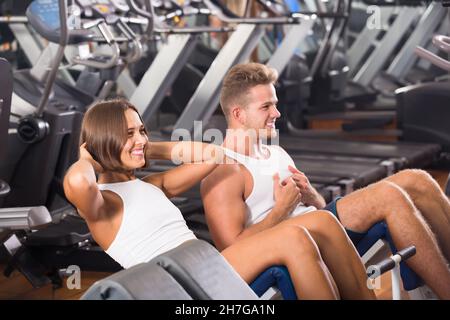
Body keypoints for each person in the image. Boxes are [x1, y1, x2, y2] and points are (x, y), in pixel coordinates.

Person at [63, 99, 376, 300]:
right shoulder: (102, 205)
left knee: (318, 221)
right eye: (128, 133)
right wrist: (91, 158)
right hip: (178, 283)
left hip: (206, 262)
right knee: (293, 237)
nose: (140, 138)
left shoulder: (153, 184)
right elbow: (77, 179)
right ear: (101, 141)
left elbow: (214, 154)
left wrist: (145, 147)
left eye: (141, 130)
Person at [200, 62, 450, 299]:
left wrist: (312, 196)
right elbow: (232, 252)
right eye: (266, 107)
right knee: (390, 196)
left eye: (275, 104)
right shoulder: (224, 170)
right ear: (238, 114)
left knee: (416, 179)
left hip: (322, 226)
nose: (276, 113)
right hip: (294, 242)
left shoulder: (274, 151)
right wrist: (281, 210)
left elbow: (318, 211)